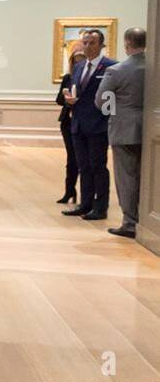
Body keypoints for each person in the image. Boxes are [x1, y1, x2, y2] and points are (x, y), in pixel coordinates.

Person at [61, 28, 116, 221]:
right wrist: (69, 99)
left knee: (98, 167)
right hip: (78, 124)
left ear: (101, 45)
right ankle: (85, 204)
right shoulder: (78, 67)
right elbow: (76, 91)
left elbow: (112, 99)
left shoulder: (111, 67)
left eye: (92, 42)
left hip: (98, 125)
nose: (87, 46)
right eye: (85, 42)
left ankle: (100, 207)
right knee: (83, 166)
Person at [97, 27, 146, 238]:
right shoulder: (154, 67)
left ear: (126, 44)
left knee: (127, 177)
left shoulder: (116, 71)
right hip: (151, 128)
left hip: (124, 128)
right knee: (148, 176)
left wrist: (116, 112)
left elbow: (102, 102)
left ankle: (130, 222)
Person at [54, 47, 86, 204]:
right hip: (68, 121)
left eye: (81, 60)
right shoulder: (68, 77)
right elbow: (59, 100)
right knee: (71, 157)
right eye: (76, 61)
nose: (78, 63)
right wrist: (65, 96)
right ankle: (69, 191)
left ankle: (86, 194)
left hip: (84, 121)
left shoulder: (88, 78)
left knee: (84, 159)